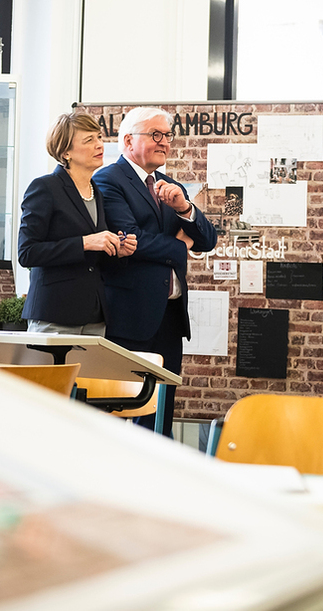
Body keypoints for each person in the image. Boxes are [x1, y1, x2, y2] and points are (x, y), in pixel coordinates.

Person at [93, 107, 218, 435]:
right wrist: (179, 246)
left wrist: (184, 208)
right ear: (128, 140)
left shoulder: (169, 185)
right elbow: (132, 240)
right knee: (125, 417)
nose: (165, 142)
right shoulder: (107, 180)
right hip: (129, 318)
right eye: (156, 135)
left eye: (168, 136)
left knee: (160, 415)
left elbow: (208, 239)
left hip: (169, 316)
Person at [17, 113, 136, 336]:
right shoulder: (44, 187)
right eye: (88, 140)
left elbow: (93, 262)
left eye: (99, 137)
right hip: (54, 313)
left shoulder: (96, 192)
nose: (99, 144)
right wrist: (85, 243)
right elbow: (27, 253)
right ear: (66, 152)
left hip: (93, 314)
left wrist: (118, 252)